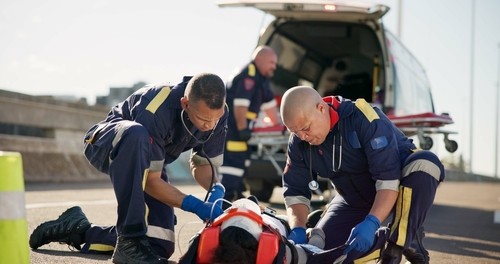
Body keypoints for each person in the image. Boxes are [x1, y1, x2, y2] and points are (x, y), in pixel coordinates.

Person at [29, 73, 230, 263]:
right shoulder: (157, 109)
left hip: (147, 162)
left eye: (216, 119)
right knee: (136, 134)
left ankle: (78, 230)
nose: (210, 125)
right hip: (108, 143)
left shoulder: (217, 114)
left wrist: (216, 189)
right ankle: (129, 238)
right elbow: (151, 182)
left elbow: (203, 165)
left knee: (158, 243)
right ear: (185, 104)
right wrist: (195, 205)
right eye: (204, 119)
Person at [279, 86, 445, 264]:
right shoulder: (298, 141)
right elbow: (295, 191)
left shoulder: (365, 119)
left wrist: (372, 222)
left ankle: (396, 248)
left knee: (425, 163)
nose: (302, 137)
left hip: (396, 187)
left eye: (305, 128)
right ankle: (397, 236)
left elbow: (388, 181)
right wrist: (297, 228)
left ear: (321, 108)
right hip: (352, 199)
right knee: (322, 253)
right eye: (295, 132)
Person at [178, 197, 390, 264]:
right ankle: (311, 230)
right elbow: (318, 257)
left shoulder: (202, 245)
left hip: (271, 224)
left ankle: (311, 230)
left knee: (308, 247)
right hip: (275, 224)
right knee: (309, 249)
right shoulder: (273, 249)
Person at [220, 45, 281, 201]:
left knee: (242, 163)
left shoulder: (262, 80)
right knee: (233, 165)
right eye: (271, 62)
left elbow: (271, 108)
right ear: (259, 59)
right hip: (233, 130)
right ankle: (226, 200)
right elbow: (241, 105)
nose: (274, 66)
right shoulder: (248, 76)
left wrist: (279, 126)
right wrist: (243, 130)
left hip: (242, 132)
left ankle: (237, 196)